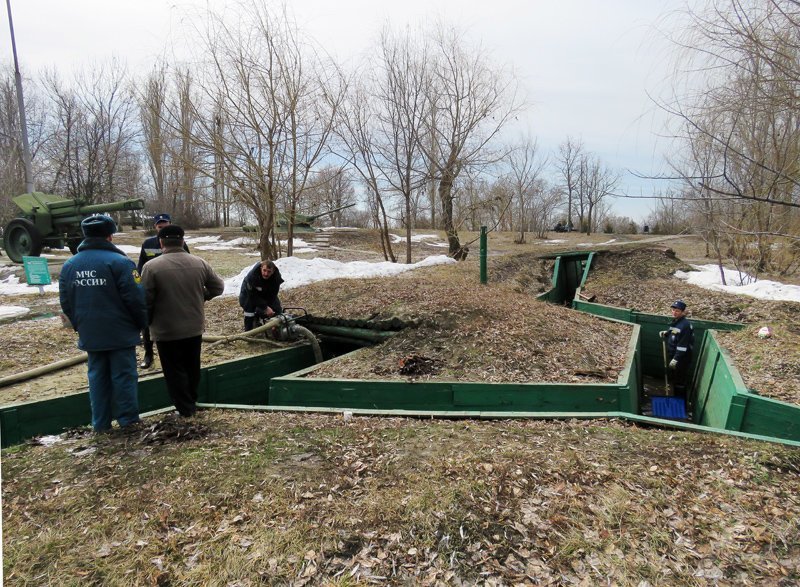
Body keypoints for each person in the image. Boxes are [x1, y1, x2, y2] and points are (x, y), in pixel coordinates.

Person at [58, 214, 148, 432]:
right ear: (110, 236)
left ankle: (100, 423)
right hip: (120, 332)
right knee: (124, 375)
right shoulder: (120, 262)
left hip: (90, 332)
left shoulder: (70, 265)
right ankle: (128, 421)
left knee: (97, 377)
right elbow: (135, 299)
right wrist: (142, 324)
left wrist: (81, 325)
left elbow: (66, 301)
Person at [140, 224, 224, 417]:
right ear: (182, 241)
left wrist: (146, 322)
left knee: (174, 370)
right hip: (194, 326)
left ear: (161, 243)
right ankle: (191, 402)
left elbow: (145, 300)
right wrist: (202, 295)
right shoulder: (199, 263)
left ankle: (185, 410)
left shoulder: (151, 267)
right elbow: (218, 287)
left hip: (166, 330)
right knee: (192, 366)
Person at [137, 213, 189, 369]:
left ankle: (178, 353)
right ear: (155, 227)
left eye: (165, 225)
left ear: (170, 224)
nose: (162, 228)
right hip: (153, 288)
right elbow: (140, 267)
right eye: (160, 226)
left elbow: (186, 264)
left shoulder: (181, 243)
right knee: (148, 323)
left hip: (172, 289)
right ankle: (148, 354)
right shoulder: (147, 244)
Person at [659, 300, 695, 396]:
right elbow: (673, 331)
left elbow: (682, 346)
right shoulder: (676, 321)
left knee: (680, 380)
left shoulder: (685, 326)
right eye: (673, 310)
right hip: (675, 356)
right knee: (675, 378)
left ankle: (680, 402)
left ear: (683, 312)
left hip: (682, 358)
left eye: (677, 311)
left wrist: (675, 359)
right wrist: (666, 333)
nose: (674, 312)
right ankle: (675, 397)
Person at [238, 259, 284, 331]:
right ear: (261, 268)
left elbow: (273, 295)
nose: (266, 274)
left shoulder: (276, 278)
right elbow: (252, 296)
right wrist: (265, 307)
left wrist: (274, 313)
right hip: (249, 293)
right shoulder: (252, 276)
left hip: (264, 291)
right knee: (249, 308)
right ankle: (249, 331)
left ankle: (276, 326)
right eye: (264, 270)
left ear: (273, 271)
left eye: (269, 272)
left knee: (276, 308)